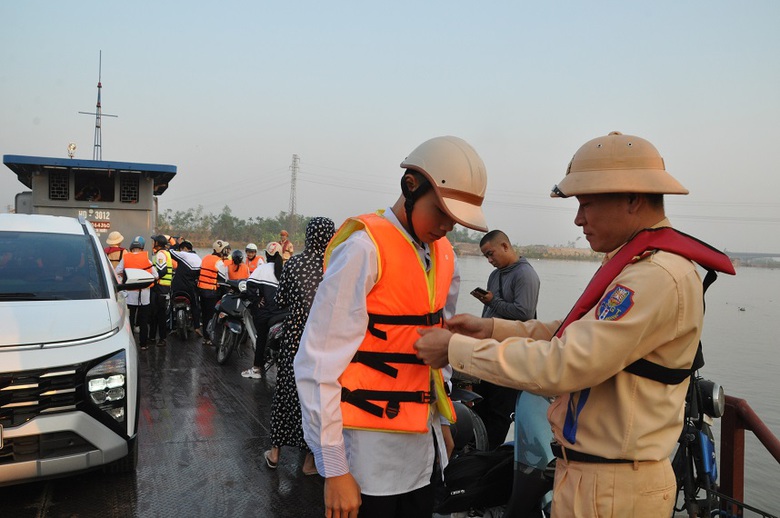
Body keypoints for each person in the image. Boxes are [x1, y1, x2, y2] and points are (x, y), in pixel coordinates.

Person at [413, 131, 736, 517]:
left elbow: (564, 364)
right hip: (592, 478)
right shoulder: (634, 265)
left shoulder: (655, 277)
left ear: (632, 198)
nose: (579, 218)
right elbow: (573, 332)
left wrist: (453, 350)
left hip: (615, 489)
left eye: (586, 204)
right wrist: (492, 329)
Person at [294, 136, 489, 518]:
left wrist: (442, 422)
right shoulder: (364, 249)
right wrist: (334, 469)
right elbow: (318, 363)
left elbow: (438, 349)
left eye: (456, 219)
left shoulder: (445, 255)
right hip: (367, 455)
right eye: (442, 212)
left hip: (421, 451)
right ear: (411, 185)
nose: (448, 225)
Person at [264, 217, 336, 476]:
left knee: (285, 393)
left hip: (294, 337)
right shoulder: (334, 265)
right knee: (314, 398)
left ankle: (275, 453)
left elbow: (281, 299)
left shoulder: (293, 262)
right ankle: (309, 462)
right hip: (322, 340)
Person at [470, 229, 540, 450]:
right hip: (490, 352)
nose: (490, 260)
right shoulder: (496, 275)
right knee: (480, 407)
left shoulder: (525, 274)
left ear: (505, 247)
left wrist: (492, 301)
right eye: (486, 257)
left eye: (491, 254)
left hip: (510, 356)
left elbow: (525, 314)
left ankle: (488, 457)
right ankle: (476, 454)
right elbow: (489, 313)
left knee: (499, 413)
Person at [241, 242, 286, 379]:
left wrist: (256, 300)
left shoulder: (262, 269)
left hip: (265, 313)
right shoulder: (286, 270)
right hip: (283, 313)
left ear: (266, 255)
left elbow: (249, 287)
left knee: (261, 336)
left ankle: (257, 368)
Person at [115, 236, 158, 350]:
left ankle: (130, 343)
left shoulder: (126, 258)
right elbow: (156, 275)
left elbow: (117, 272)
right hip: (144, 295)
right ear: (141, 249)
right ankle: (143, 344)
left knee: (130, 321)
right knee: (143, 321)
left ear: (131, 249)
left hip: (130, 295)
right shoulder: (147, 259)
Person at [198, 240, 228, 345]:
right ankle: (213, 338)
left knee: (205, 315)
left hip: (201, 290)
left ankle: (206, 337)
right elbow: (223, 279)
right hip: (212, 292)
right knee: (213, 316)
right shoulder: (219, 262)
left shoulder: (205, 258)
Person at [169, 240, 201, 335]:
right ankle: (197, 327)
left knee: (171, 305)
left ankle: (173, 327)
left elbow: (170, 251)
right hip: (191, 288)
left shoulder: (184, 255)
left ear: (184, 249)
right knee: (195, 305)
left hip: (177, 286)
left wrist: (174, 242)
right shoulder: (198, 258)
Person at [150, 235, 174, 347]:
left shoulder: (160, 254)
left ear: (157, 243)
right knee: (155, 312)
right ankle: (153, 336)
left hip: (161, 286)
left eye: (153, 242)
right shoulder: (163, 253)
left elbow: (162, 271)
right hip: (161, 286)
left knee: (159, 313)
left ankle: (162, 338)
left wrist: (154, 278)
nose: (152, 243)